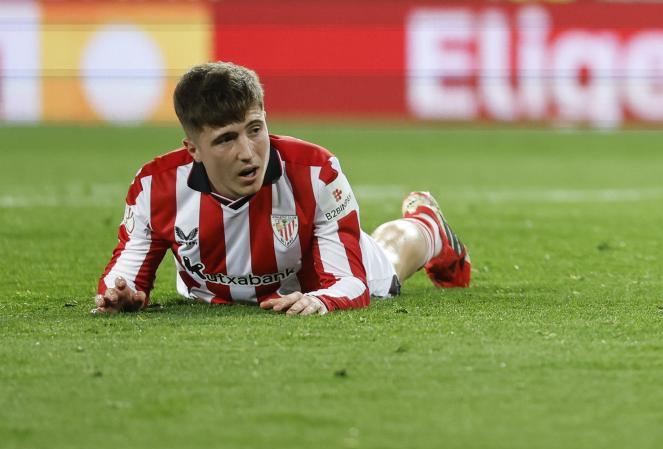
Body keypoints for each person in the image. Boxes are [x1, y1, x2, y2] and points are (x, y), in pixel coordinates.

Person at [92, 61, 470, 316]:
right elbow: (123, 277)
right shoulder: (155, 187)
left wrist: (321, 301)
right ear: (193, 149)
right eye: (226, 139)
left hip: (320, 280)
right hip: (217, 294)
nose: (247, 152)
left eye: (255, 129)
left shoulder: (315, 173)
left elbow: (349, 283)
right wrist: (120, 294)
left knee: (390, 258)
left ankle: (427, 224)